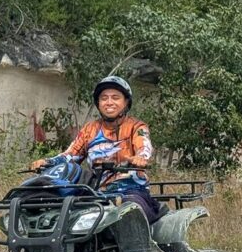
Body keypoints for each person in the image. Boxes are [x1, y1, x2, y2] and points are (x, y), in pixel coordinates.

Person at [31, 75, 164, 223]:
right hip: (96, 193)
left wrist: (141, 157)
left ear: (126, 102)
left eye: (115, 97)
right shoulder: (90, 129)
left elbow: (144, 146)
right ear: (98, 103)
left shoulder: (137, 127)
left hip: (131, 190)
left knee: (132, 212)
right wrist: (48, 162)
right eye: (104, 98)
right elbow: (70, 155)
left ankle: (139, 246)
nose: (109, 102)